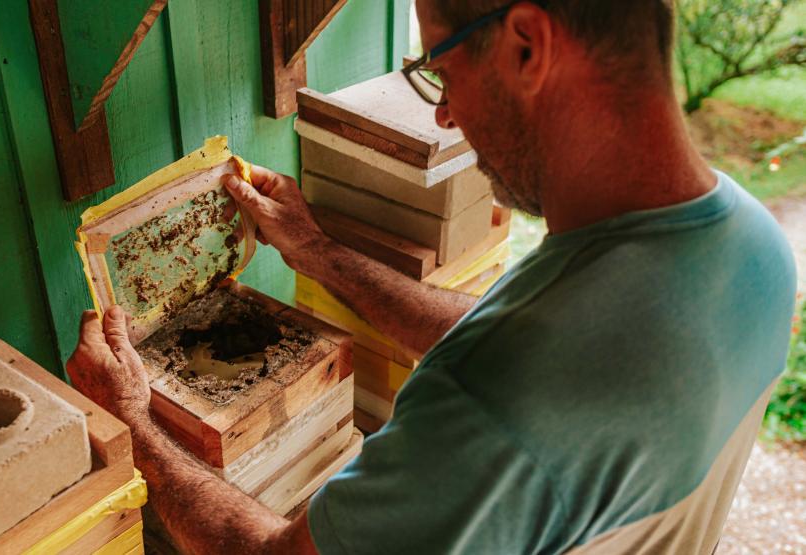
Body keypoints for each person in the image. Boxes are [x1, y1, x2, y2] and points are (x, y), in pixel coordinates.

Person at [67, 1, 798, 553]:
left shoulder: (507, 402)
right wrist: (319, 253)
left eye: (441, 71)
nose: (445, 115)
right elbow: (501, 336)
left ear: (525, 46)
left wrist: (132, 423)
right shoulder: (752, 247)